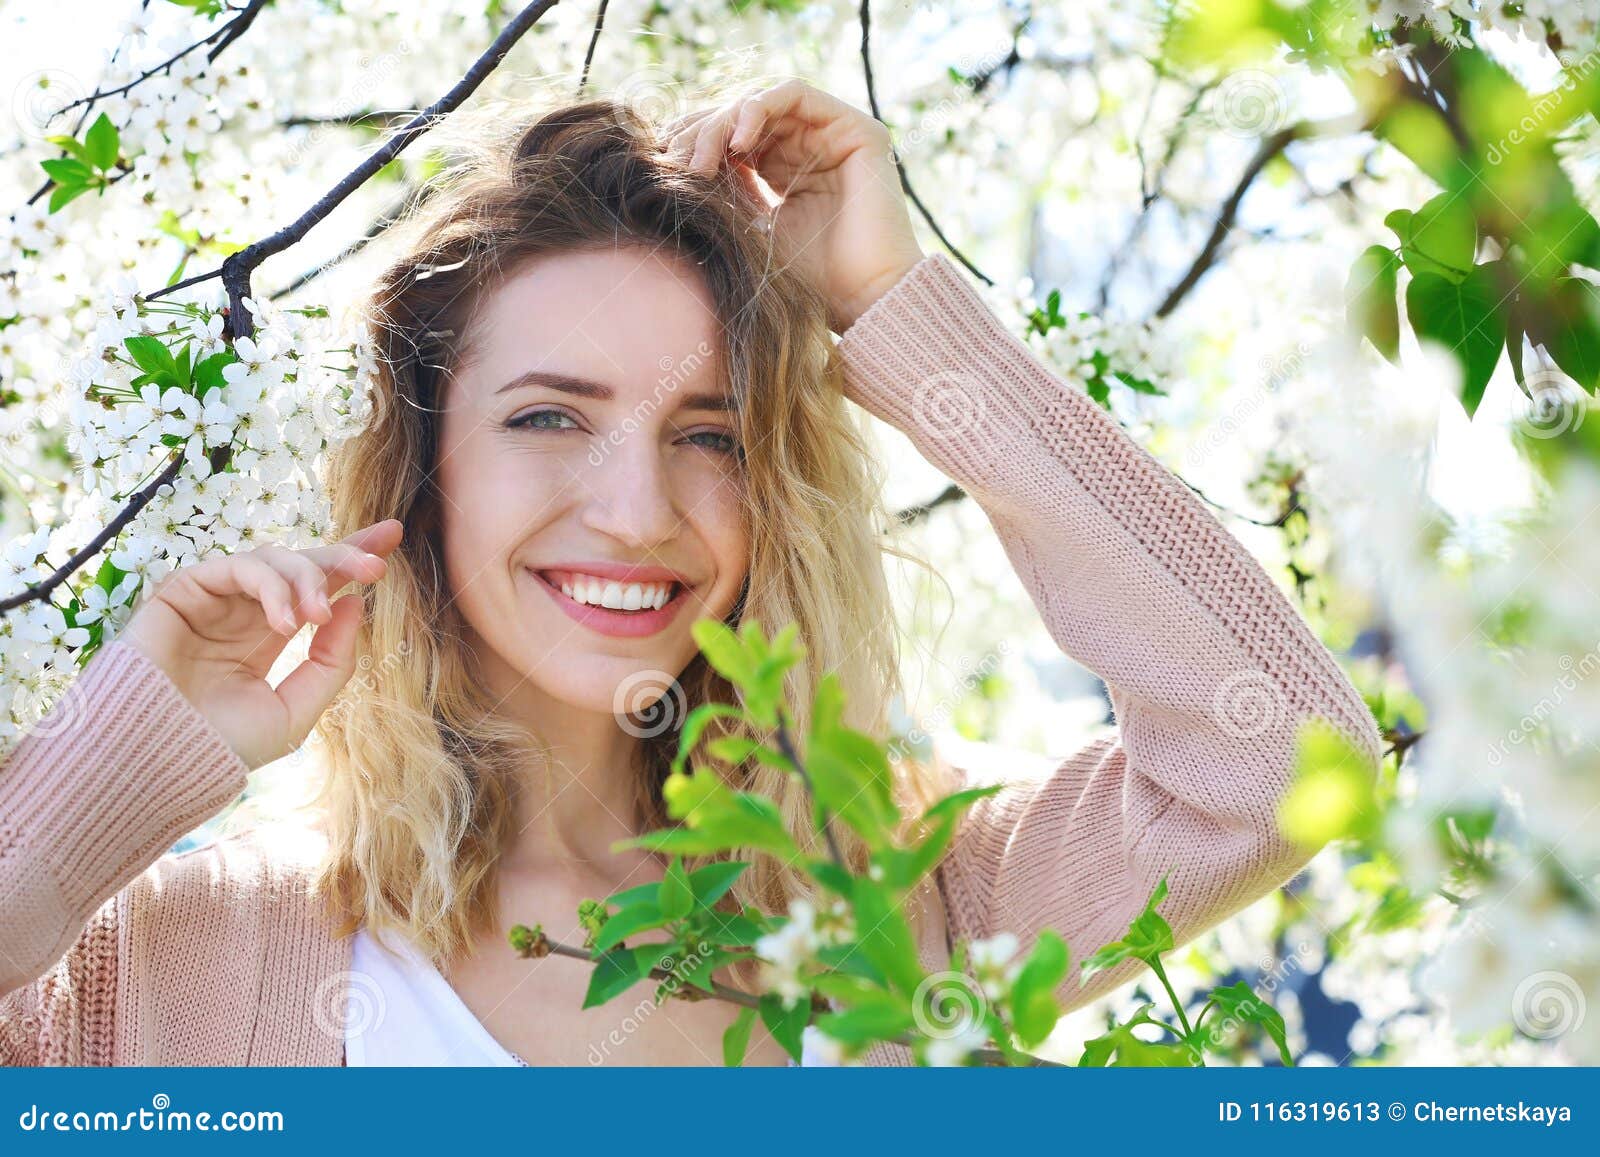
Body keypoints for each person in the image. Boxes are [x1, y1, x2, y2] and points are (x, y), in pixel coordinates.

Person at [0, 80, 1380, 1066]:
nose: (638, 507)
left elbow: (1283, 761)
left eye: (707, 434)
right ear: (422, 474)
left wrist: (895, 309)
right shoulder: (166, 975)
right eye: (549, 415)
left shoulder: (905, 910)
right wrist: (112, 763)